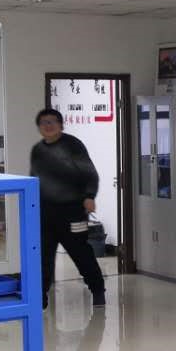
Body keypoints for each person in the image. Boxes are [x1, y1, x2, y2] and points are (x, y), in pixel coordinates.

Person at [29, 109, 106, 310]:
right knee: (43, 257)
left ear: (61, 125)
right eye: (43, 122)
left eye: (52, 121)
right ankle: (40, 297)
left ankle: (97, 289)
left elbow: (90, 173)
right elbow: (33, 179)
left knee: (81, 253)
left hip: (73, 211)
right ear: (39, 127)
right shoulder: (37, 150)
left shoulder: (72, 145)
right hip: (45, 213)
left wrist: (89, 196)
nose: (48, 126)